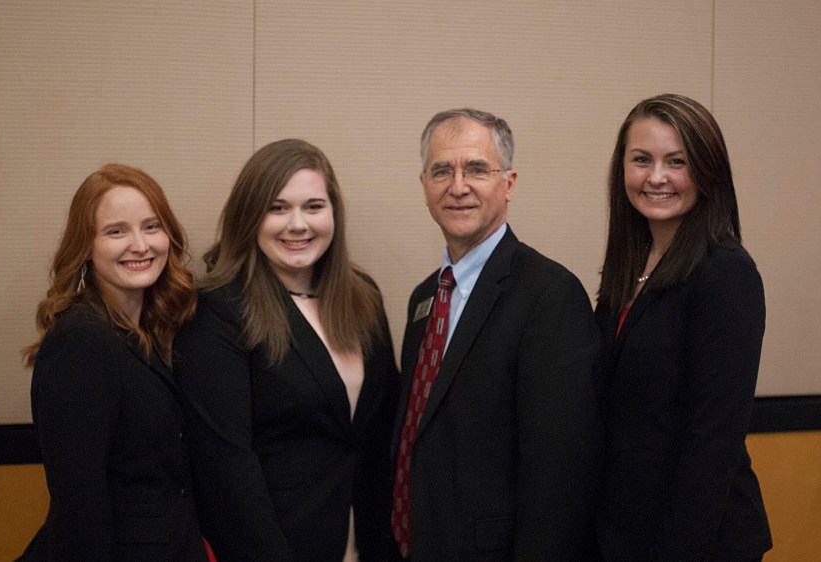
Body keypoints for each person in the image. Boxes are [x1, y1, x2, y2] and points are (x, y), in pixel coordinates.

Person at [390, 108, 604, 561]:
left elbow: (560, 474)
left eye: (477, 169)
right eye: (442, 170)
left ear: (508, 183)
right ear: (424, 186)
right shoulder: (423, 299)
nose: (458, 185)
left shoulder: (550, 295)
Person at [173, 139, 399, 561]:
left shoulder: (363, 298)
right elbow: (226, 469)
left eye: (313, 206)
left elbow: (382, 433)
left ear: (334, 213)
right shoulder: (218, 311)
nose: (298, 224)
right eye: (277, 208)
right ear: (249, 217)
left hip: (369, 543)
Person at [594, 94, 772, 561]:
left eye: (677, 161)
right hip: (628, 531)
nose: (656, 177)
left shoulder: (725, 273)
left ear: (708, 172)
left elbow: (712, 441)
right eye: (641, 160)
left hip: (697, 541)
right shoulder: (630, 265)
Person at [18, 164, 207, 561]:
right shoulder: (81, 342)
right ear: (85, 246)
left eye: (152, 227)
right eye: (116, 231)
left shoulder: (148, 329)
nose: (140, 245)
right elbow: (79, 509)